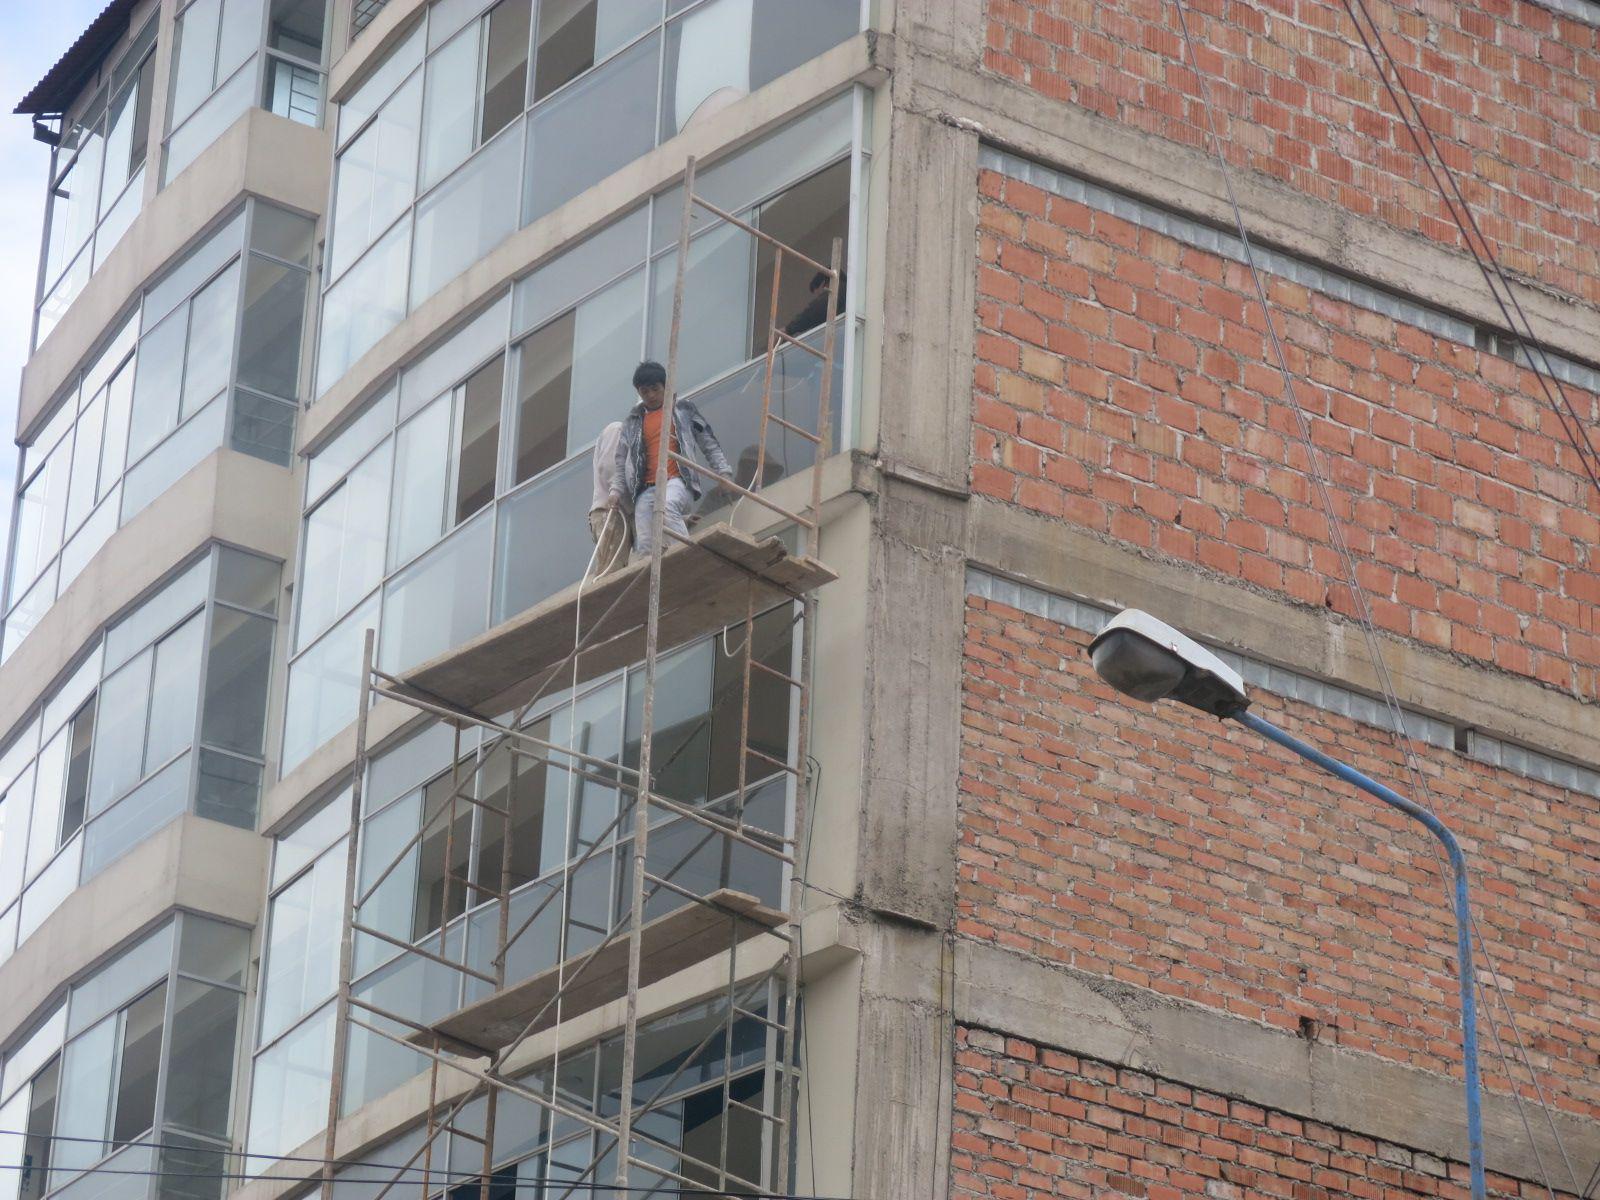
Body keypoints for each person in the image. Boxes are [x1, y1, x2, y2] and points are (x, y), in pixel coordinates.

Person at [607, 361, 735, 557]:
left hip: (677, 480)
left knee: (666, 507)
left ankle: (687, 558)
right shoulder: (632, 422)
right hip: (646, 489)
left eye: (655, 389)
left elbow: (708, 441)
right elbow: (621, 461)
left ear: (665, 386)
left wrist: (723, 472)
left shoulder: (683, 409)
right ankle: (656, 572)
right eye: (644, 391)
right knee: (645, 540)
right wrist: (616, 490)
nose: (650, 395)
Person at [587, 420, 630, 578]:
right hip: (611, 511)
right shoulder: (618, 429)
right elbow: (609, 467)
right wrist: (616, 491)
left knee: (612, 569)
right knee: (611, 573)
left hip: (613, 511)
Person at [784, 270, 845, 338]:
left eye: (820, 295)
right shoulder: (849, 295)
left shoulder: (838, 290)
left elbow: (815, 310)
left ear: (824, 285)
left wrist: (788, 330)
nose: (819, 298)